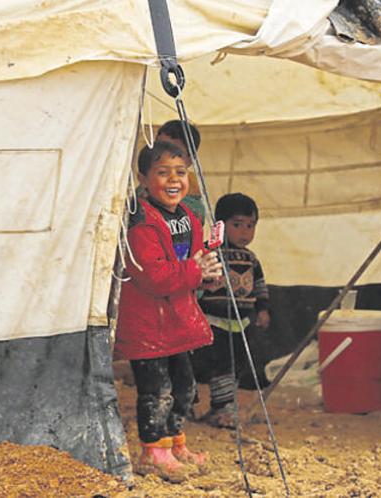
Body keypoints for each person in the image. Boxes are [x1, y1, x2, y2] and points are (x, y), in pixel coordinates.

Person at [115, 141, 222, 481]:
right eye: (162, 173)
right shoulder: (141, 223)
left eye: (181, 172)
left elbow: (193, 263)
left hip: (175, 321)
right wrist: (195, 270)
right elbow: (154, 276)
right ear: (143, 178)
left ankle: (176, 443)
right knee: (156, 391)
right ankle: (153, 451)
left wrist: (209, 273)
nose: (174, 180)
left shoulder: (188, 217)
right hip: (147, 325)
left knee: (185, 388)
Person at [198, 192, 271, 428]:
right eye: (237, 225)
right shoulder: (210, 252)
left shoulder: (251, 258)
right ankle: (222, 408)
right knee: (221, 365)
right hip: (213, 320)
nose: (245, 232)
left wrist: (263, 309)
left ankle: (223, 406)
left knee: (236, 364)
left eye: (250, 226)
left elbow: (260, 286)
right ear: (220, 226)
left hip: (242, 323)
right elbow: (196, 283)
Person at [130, 120, 206, 228]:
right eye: (158, 147)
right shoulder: (142, 190)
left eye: (174, 152)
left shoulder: (193, 204)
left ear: (190, 160)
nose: (164, 155)